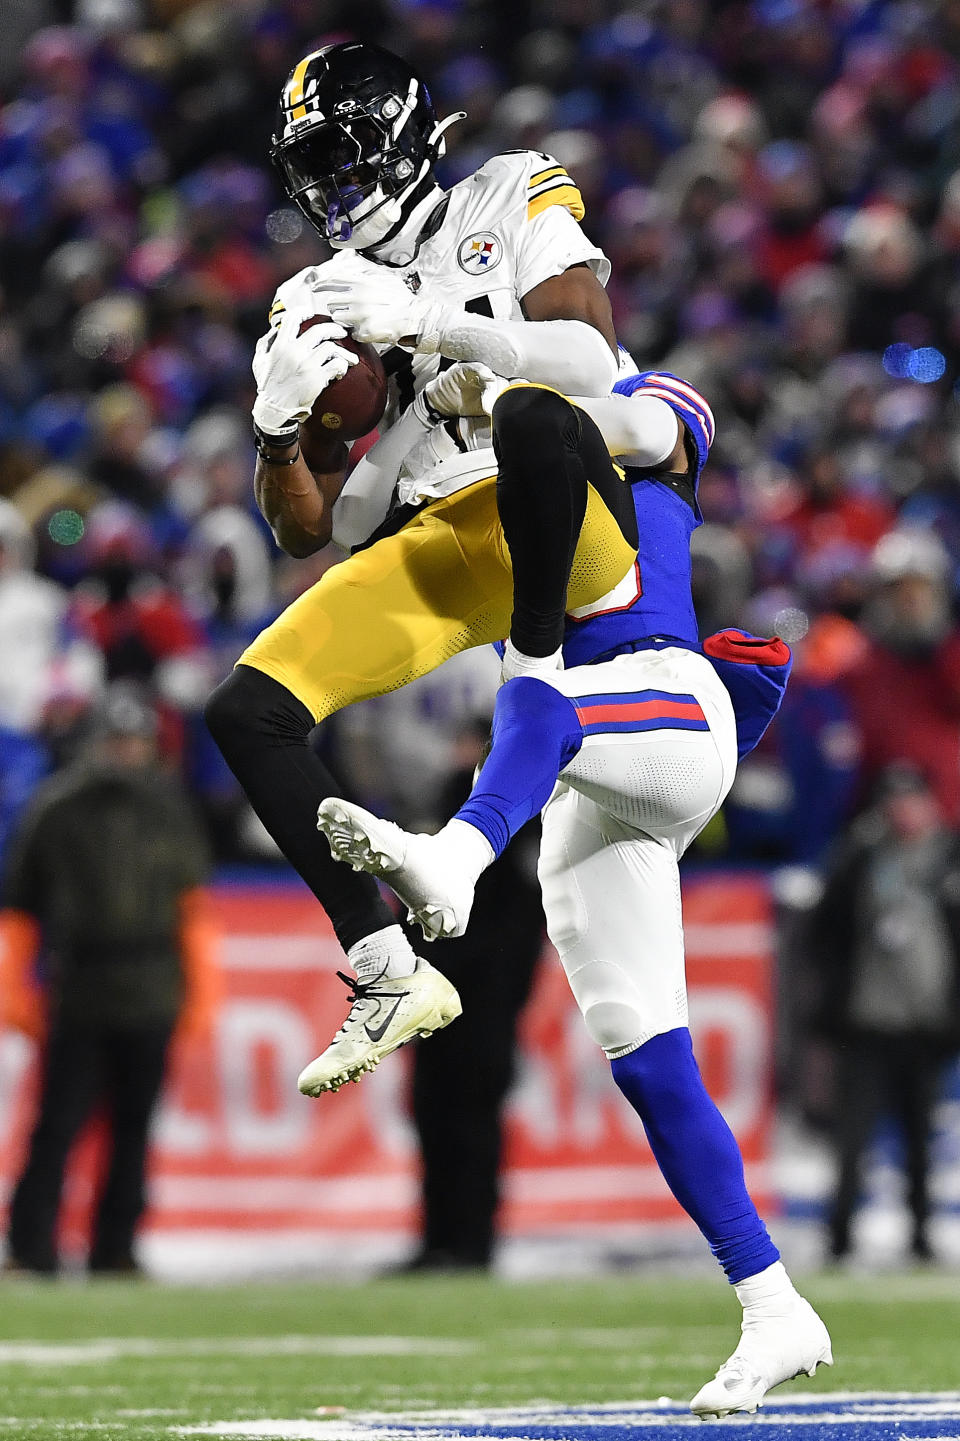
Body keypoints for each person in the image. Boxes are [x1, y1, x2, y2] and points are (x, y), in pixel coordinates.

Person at [317, 373, 833, 1417]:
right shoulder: (505, 469)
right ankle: (773, 1301)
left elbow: (624, 421)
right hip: (590, 784)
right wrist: (394, 420)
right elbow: (352, 527)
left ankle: (454, 857)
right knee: (643, 1048)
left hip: (670, 710)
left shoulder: (639, 429)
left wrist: (479, 350)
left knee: (538, 690)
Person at [205, 40, 646, 1094]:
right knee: (246, 711)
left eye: (346, 158)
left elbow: (592, 360)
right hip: (439, 537)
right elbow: (305, 530)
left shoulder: (507, 193)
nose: (331, 189)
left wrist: (435, 325)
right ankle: (385, 965)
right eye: (312, 169)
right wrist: (274, 436)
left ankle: (532, 671)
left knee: (537, 416)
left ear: (405, 137)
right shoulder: (312, 292)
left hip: (565, 512)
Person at [0, 684, 217, 1275]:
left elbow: (191, 910)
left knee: (133, 1126)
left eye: (134, 740)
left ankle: (117, 1248)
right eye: (116, 740)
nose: (125, 751)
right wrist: (15, 988)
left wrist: (200, 994)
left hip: (150, 983)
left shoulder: (169, 809)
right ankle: (31, 1245)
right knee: (59, 1123)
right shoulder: (57, 807)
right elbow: (20, 907)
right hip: (81, 984)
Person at [810, 762, 960, 1263]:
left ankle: (921, 1237)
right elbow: (825, 933)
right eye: (894, 800)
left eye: (911, 798)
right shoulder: (861, 859)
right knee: (853, 1139)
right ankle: (839, 1237)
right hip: (867, 1021)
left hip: (927, 1023)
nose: (903, 810)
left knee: (921, 1141)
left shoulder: (949, 856)